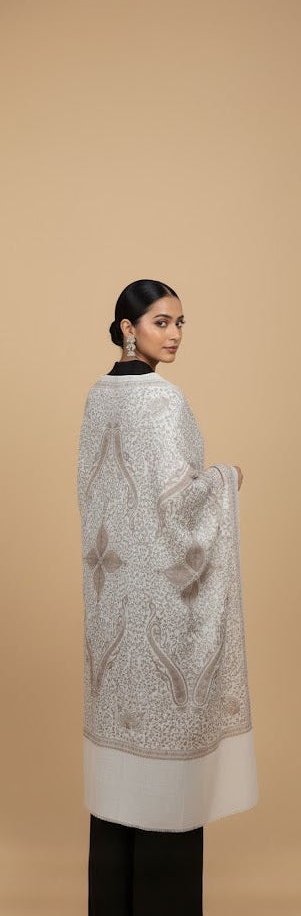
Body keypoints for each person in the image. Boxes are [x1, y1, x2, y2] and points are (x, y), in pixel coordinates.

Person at [77, 279, 259, 915]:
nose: (174, 334)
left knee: (118, 800)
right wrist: (227, 480)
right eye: (160, 322)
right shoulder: (161, 400)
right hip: (160, 620)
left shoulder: (98, 398)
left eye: (181, 322)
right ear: (128, 327)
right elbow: (180, 509)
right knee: (169, 793)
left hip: (111, 623)